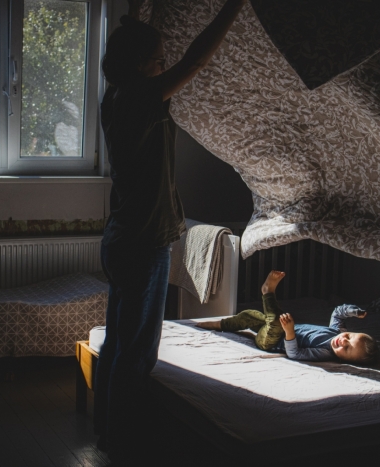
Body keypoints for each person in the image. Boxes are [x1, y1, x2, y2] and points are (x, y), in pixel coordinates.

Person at [93, 0, 248, 460]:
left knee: (120, 341)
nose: (165, 66)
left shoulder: (115, 95)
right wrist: (232, 8)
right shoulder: (140, 96)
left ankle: (108, 429)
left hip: (122, 237)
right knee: (138, 351)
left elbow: (170, 62)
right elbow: (196, 59)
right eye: (159, 59)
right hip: (143, 242)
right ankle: (126, 442)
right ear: (143, 65)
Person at [196, 271, 380, 364]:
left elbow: (295, 354)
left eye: (346, 350)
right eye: (349, 337)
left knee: (274, 320)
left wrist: (290, 332)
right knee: (250, 316)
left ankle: (267, 292)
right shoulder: (337, 332)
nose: (343, 341)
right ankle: (219, 324)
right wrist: (355, 311)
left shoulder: (325, 353)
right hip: (276, 330)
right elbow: (338, 313)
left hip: (270, 342)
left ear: (345, 360)